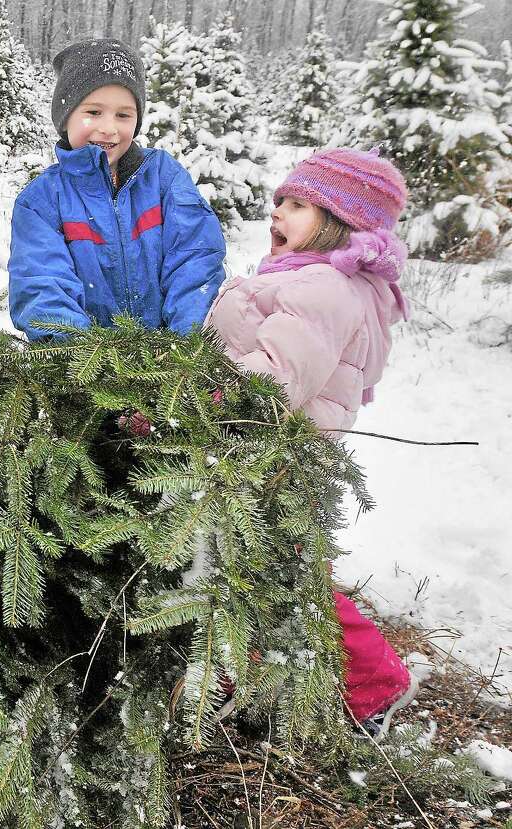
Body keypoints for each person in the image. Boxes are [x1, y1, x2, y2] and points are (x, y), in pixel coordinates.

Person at [206, 147, 418, 738]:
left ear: (339, 221)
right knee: (257, 570)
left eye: (297, 205)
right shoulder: (313, 279)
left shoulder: (324, 287)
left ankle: (373, 687)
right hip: (271, 455)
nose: (277, 213)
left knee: (282, 577)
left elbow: (273, 379)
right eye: (278, 202)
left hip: (275, 461)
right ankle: (236, 674)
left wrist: (196, 407)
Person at [7, 39, 226, 341]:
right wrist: (87, 360)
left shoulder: (163, 178)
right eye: (94, 112)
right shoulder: (41, 201)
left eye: (123, 115)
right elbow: (42, 286)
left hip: (168, 368)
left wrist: (183, 347)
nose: (109, 128)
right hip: (84, 373)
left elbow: (195, 260)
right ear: (65, 116)